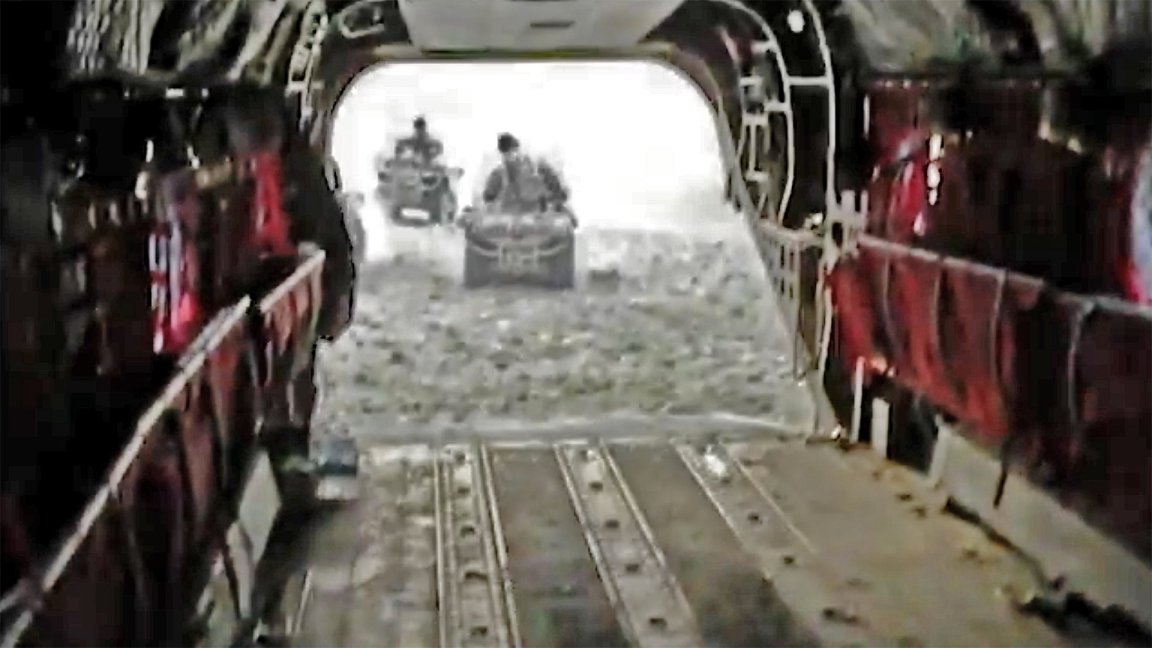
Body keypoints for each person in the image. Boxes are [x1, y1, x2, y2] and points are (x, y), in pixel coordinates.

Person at [481, 132, 569, 212]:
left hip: (540, 217)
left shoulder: (538, 167)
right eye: (506, 154)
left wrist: (552, 203)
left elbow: (560, 193)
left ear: (518, 149)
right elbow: (488, 198)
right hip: (511, 219)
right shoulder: (498, 175)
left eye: (512, 152)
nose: (510, 157)